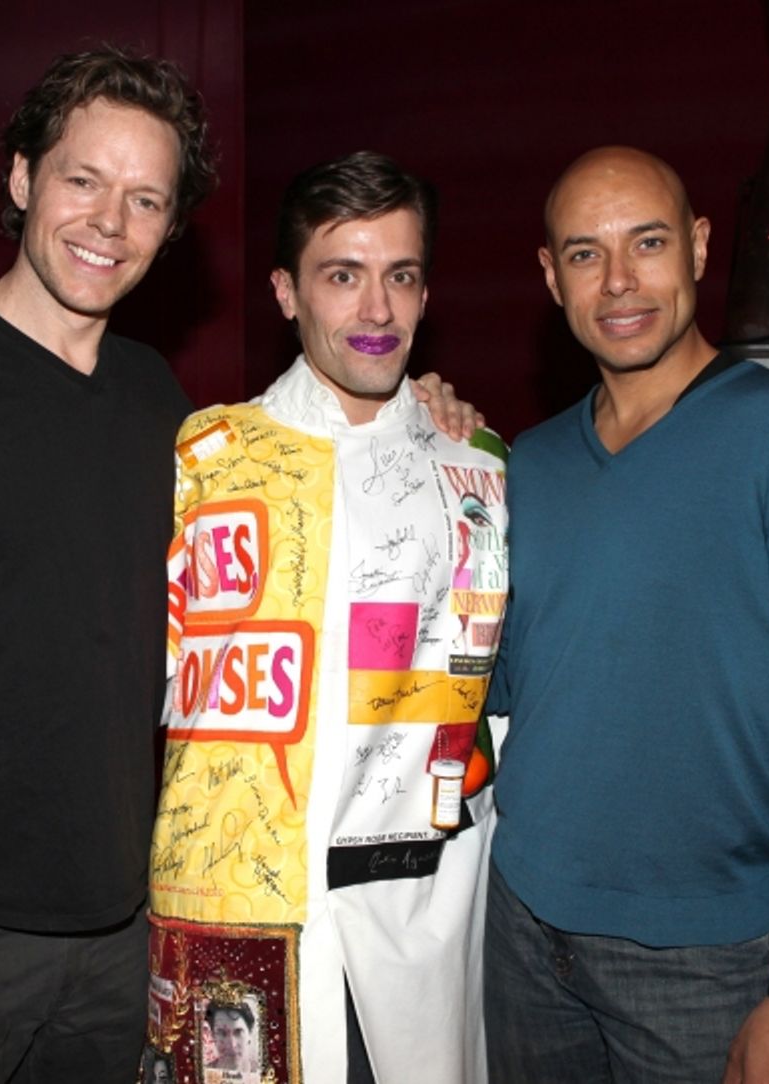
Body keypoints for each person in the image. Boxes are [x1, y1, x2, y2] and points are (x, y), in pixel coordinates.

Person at [0, 49, 472, 1083]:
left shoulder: (167, 409)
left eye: (145, 199)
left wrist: (428, 410)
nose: (110, 222)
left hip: (123, 939)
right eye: (83, 180)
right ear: (21, 179)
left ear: (169, 227)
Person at [483, 145, 769, 1084]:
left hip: (702, 961)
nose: (621, 281)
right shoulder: (529, 462)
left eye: (647, 242)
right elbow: (504, 681)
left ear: (700, 247)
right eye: (586, 253)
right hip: (518, 928)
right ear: (552, 276)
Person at [144, 152, 508, 1084]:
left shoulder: (482, 470)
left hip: (423, 898)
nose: (376, 311)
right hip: (249, 895)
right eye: (342, 275)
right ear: (283, 291)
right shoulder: (205, 461)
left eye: (402, 275)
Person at [205, 1001, 258, 1073]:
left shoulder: (263, 1073)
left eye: (238, 1032)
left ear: (250, 1034)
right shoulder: (201, 1074)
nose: (232, 1045)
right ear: (213, 1036)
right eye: (222, 1033)